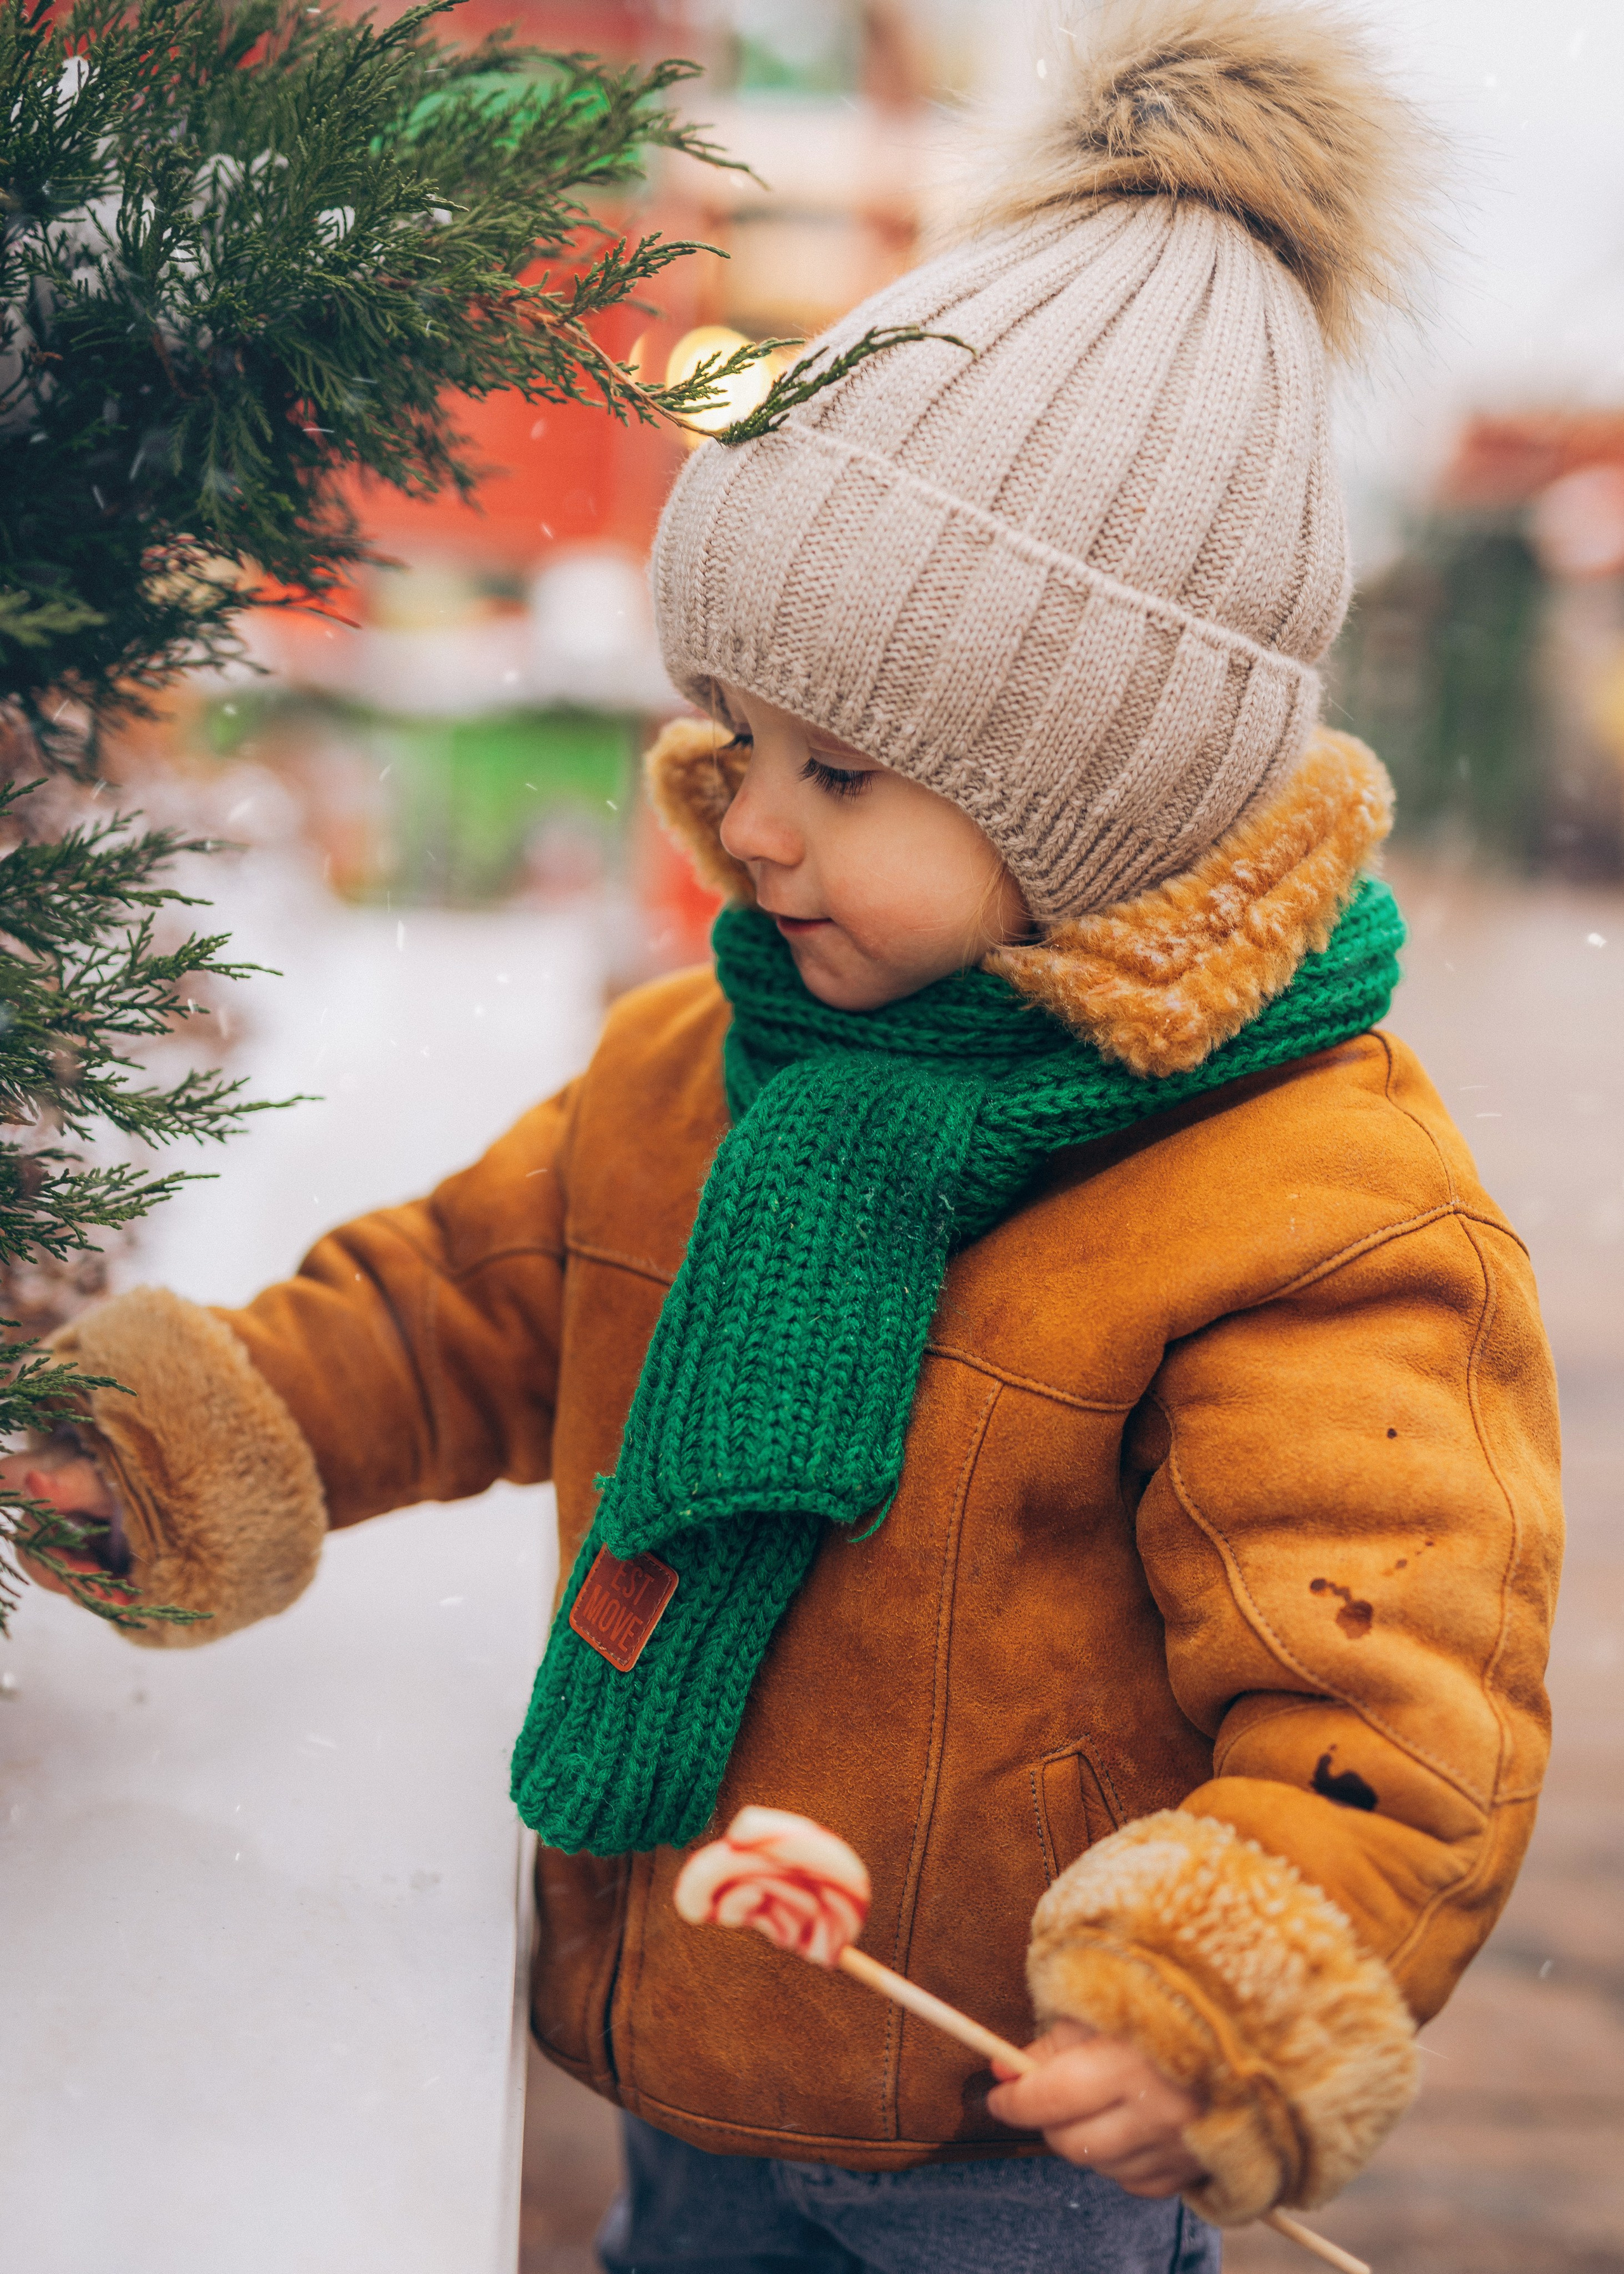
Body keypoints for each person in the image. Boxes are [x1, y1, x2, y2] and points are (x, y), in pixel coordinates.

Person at [15, 5, 1562, 2270]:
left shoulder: (1305, 1215)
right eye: (737, 733)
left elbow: (1385, 1673)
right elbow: (451, 1309)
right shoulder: (694, 1074)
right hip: (691, 2044)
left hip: (1015, 2138)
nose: (744, 819)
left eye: (843, 776)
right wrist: (181, 1440)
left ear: (1098, 810)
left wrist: (1229, 1987)